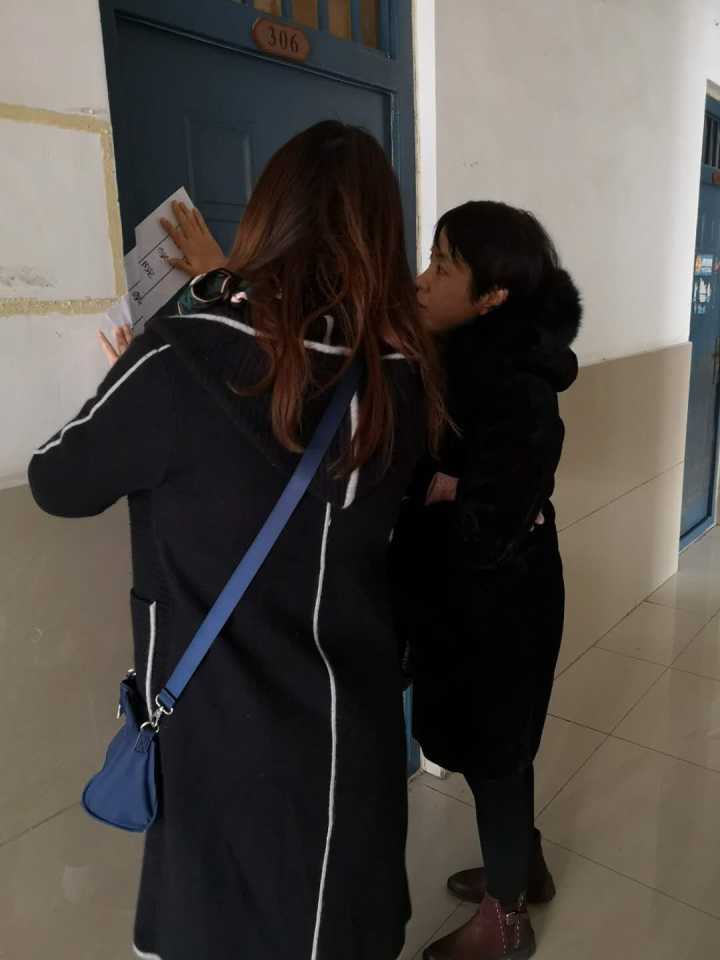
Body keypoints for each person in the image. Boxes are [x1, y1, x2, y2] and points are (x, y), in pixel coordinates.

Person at [28, 121, 445, 960]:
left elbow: (56, 482)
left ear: (266, 219)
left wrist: (138, 374)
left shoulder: (177, 361)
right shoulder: (402, 381)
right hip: (353, 736)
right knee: (337, 929)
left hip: (219, 745)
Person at [389, 201, 582, 960]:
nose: (421, 280)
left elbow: (494, 519)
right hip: (473, 598)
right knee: (496, 753)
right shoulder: (460, 359)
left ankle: (506, 925)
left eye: (443, 267)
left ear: (491, 296)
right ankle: (522, 867)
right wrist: (439, 483)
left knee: (497, 757)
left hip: (502, 606)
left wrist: (437, 486)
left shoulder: (514, 383)